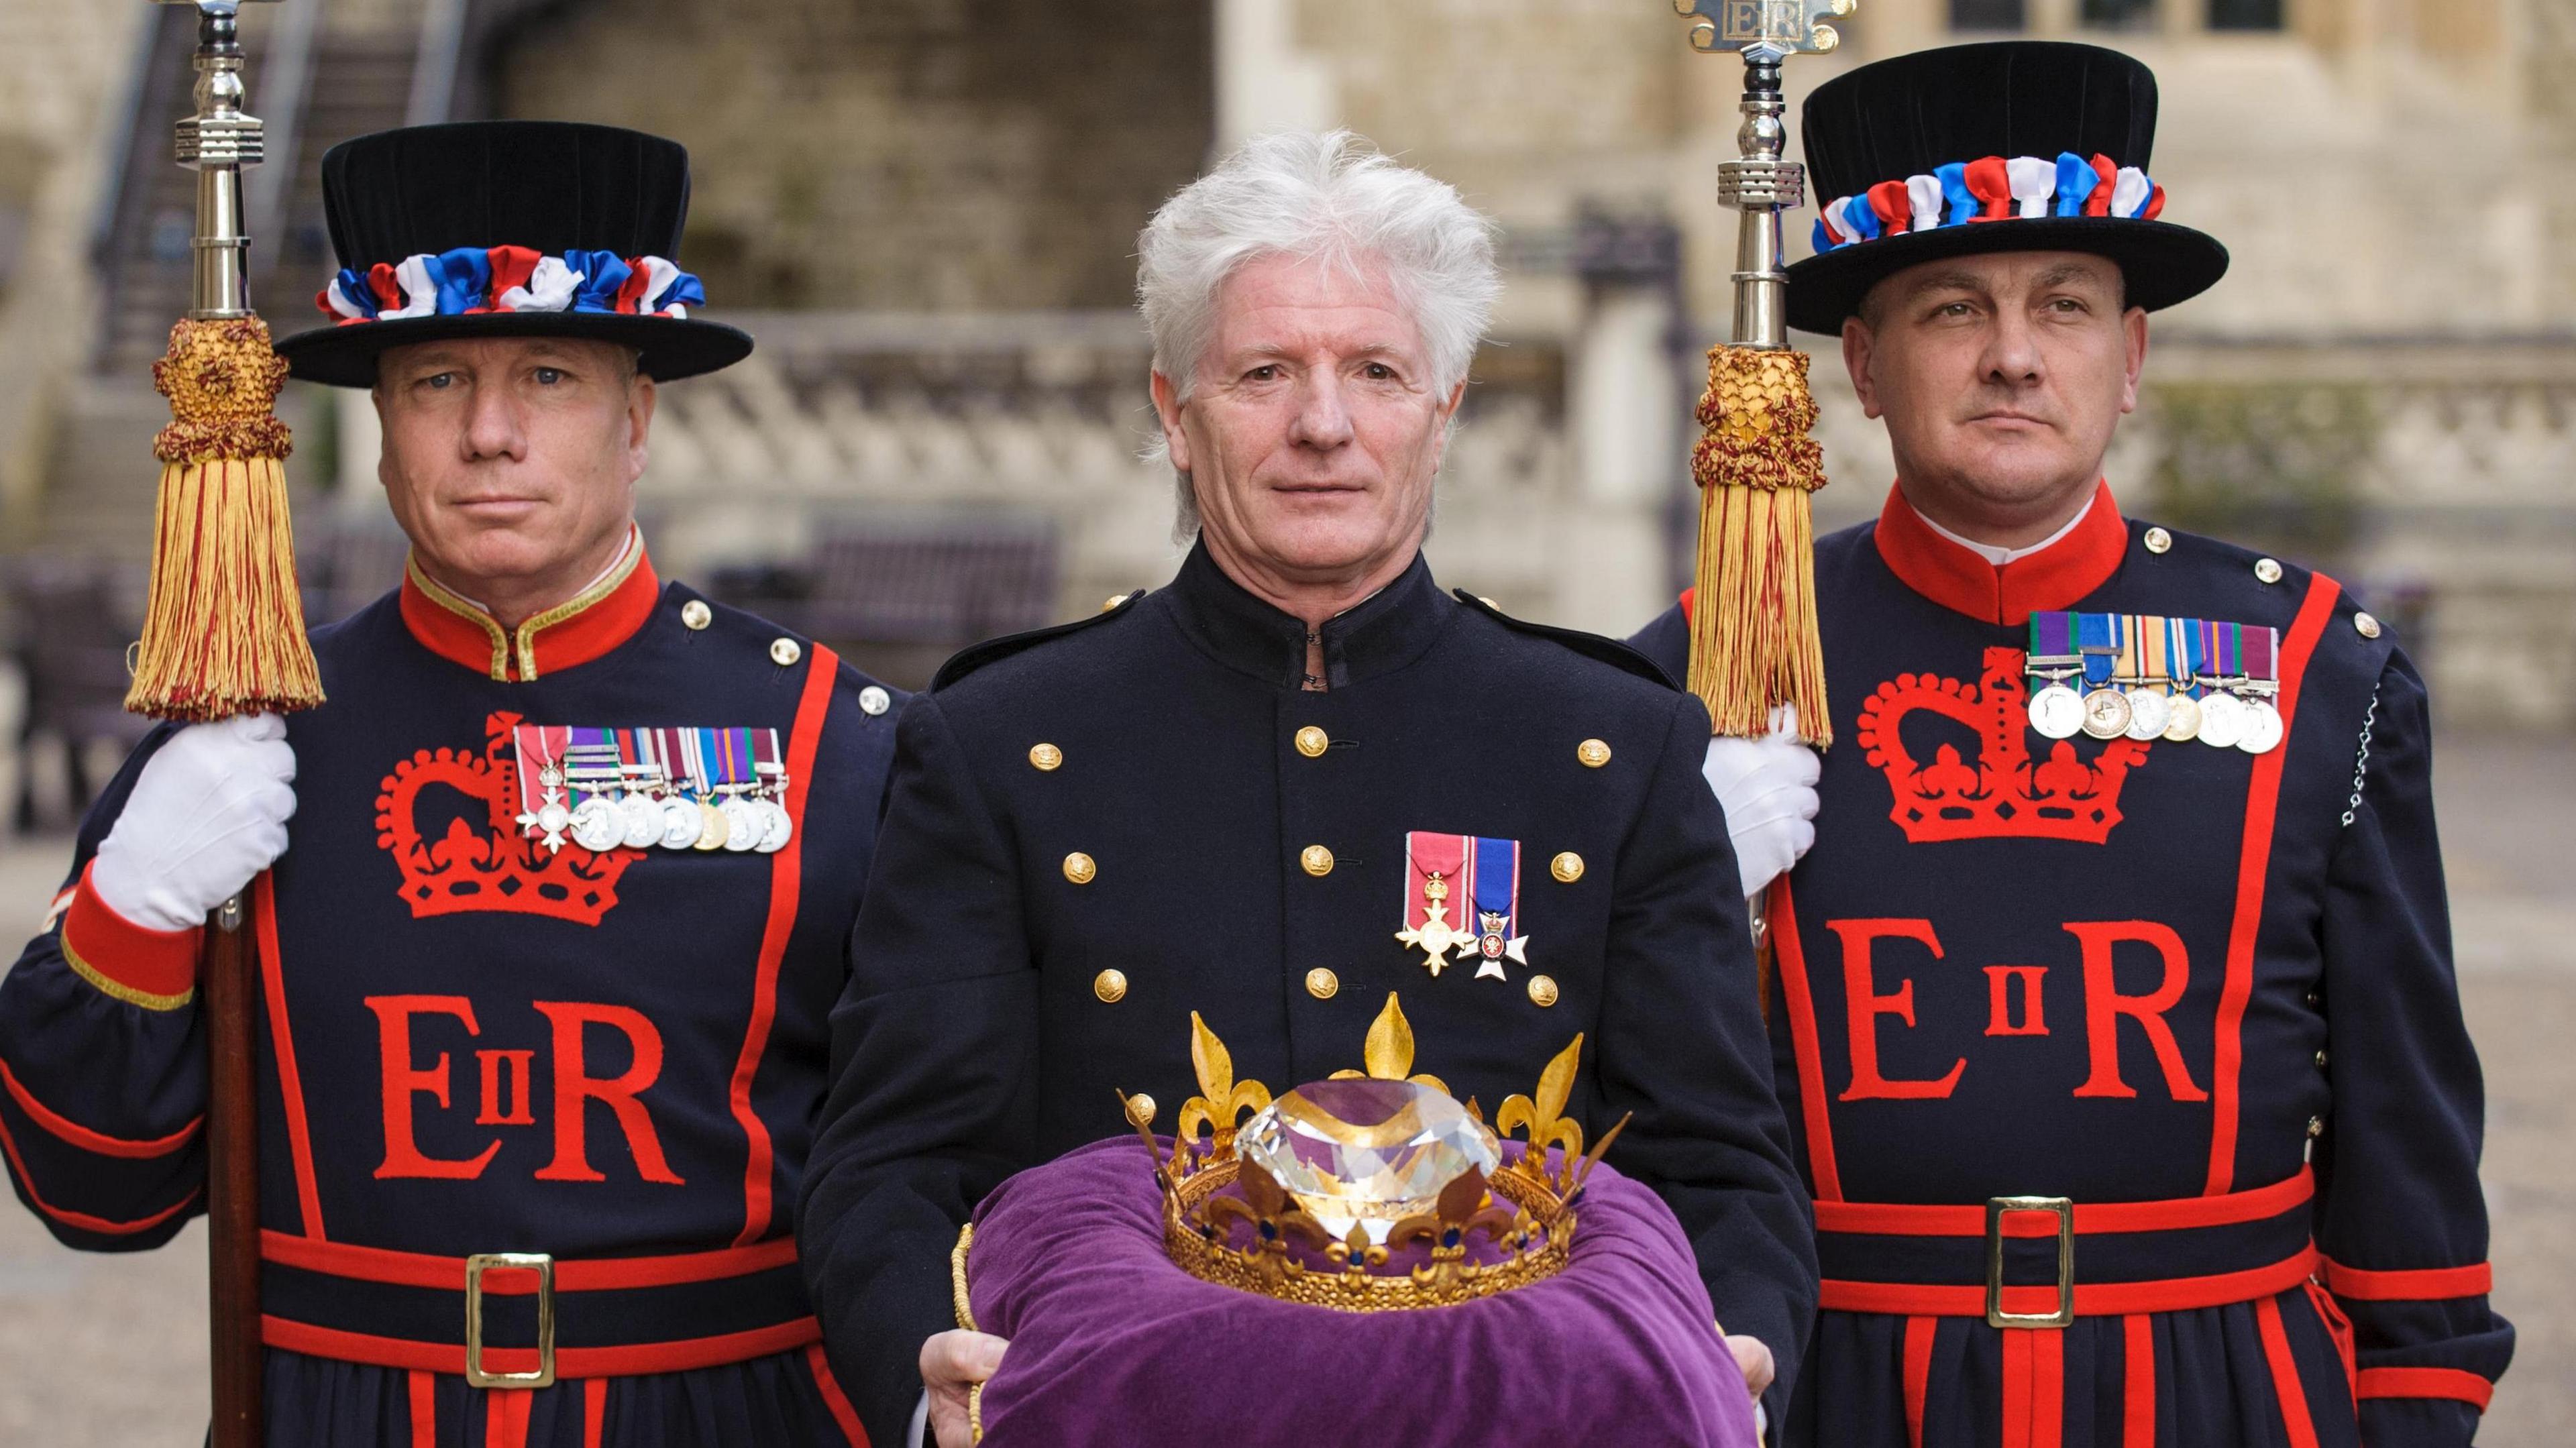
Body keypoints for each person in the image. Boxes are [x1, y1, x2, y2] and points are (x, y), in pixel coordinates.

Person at [798, 129, 1818, 1448]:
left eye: (1376, 372)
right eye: (1266, 372)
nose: (1323, 425)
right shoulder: (1002, 742)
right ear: (1175, 410)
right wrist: (925, 1375)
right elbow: (891, 1161)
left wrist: (1737, 1356)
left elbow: (1720, 1166)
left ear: (1445, 407)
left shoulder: (1611, 747)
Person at [1630, 42, 2512, 1447]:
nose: (2015, 354)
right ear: (1860, 363)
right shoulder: (1702, 673)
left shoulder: (2314, 666)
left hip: (2218, 1383)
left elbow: (2403, 1111)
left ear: (2133, 354)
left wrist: (2414, 1400)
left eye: (2066, 305)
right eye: (1951, 309)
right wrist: (1667, 878)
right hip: (1834, 1384)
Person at [0, 122, 902, 1445]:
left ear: (636, 419)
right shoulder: (251, 741)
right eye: (436, 381)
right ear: (378, 430)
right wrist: (130, 910)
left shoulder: (839, 741)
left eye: (548, 375)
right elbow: (93, 1193)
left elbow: (938, 1178)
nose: (490, 433)